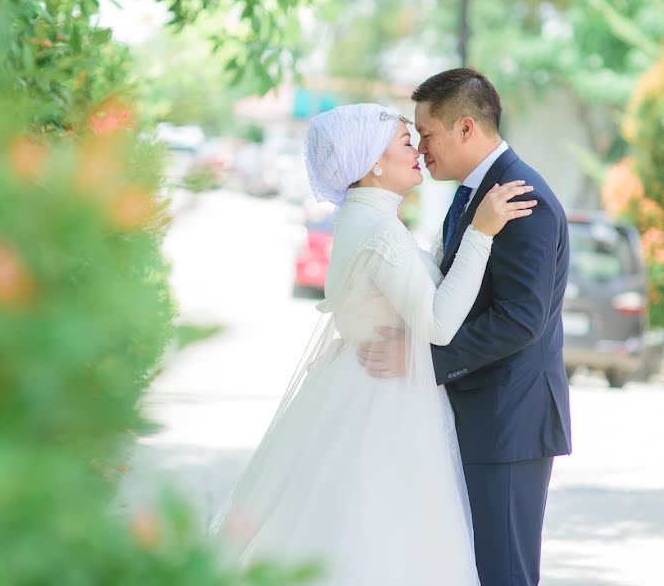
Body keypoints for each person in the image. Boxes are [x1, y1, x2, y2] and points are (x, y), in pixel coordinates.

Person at [211, 102, 536, 585]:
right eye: (407, 143)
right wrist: (481, 234)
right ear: (372, 164)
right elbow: (439, 324)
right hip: (385, 408)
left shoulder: (364, 223)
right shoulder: (381, 232)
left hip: (363, 391)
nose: (419, 152)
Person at [357, 68, 572, 586]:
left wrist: (419, 362)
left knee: (504, 573)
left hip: (509, 423)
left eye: (426, 134)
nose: (422, 149)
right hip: (478, 416)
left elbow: (521, 319)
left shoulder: (524, 199)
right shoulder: (472, 194)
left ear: (466, 128)